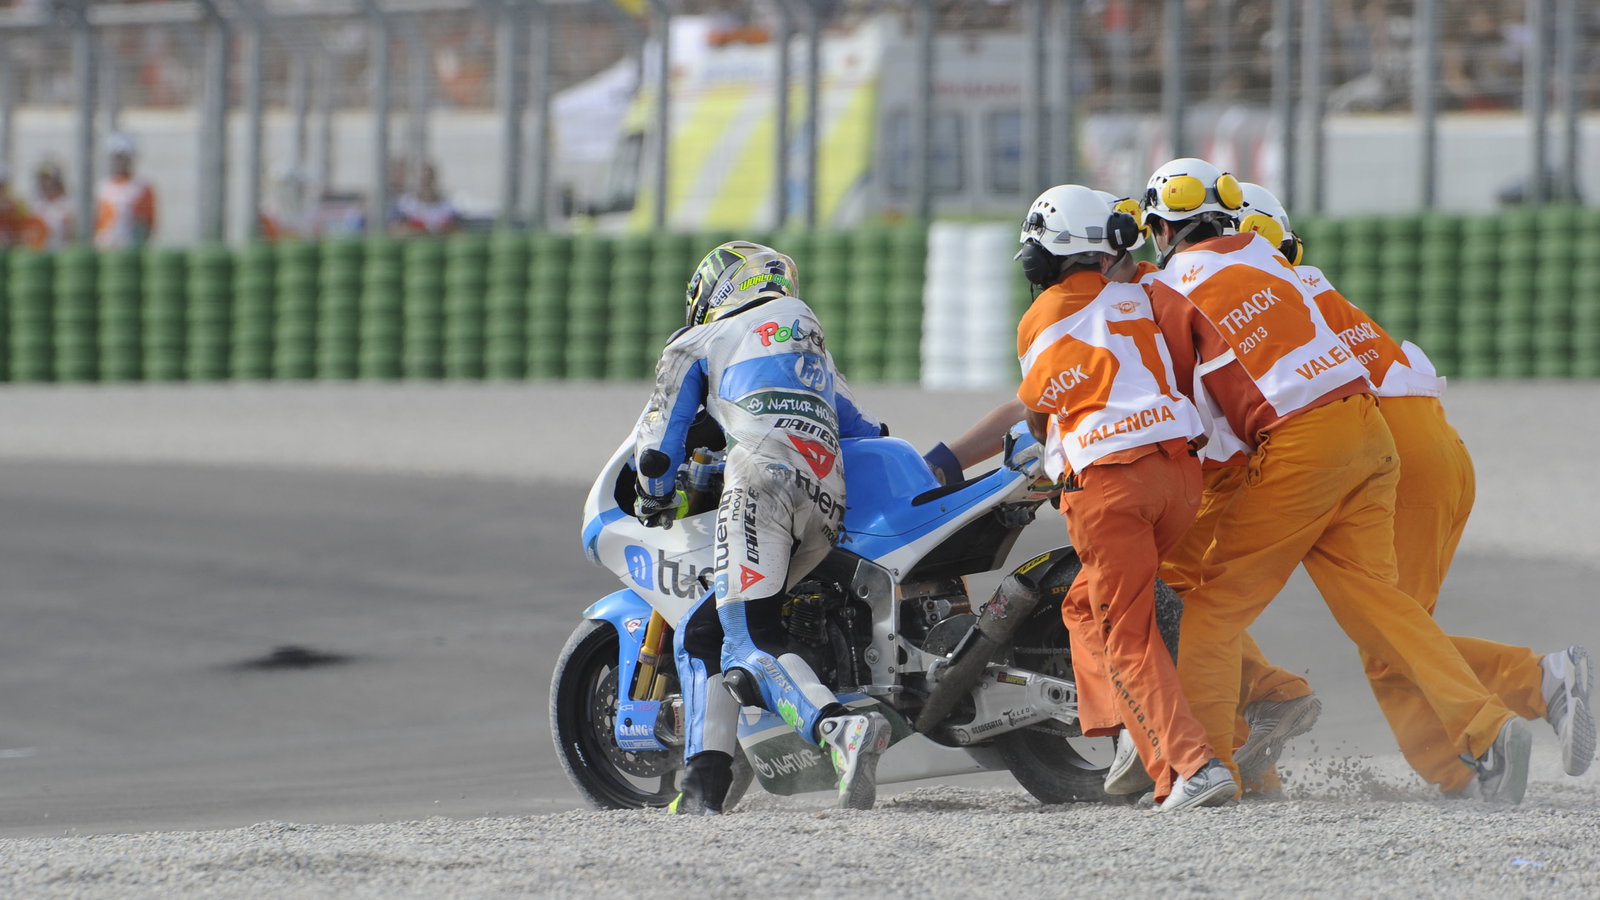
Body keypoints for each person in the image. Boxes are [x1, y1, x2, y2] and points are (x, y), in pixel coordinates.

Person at [1138, 156, 1534, 803]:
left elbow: (1187, 407)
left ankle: (1208, 771)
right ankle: (1487, 725)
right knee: (1381, 607)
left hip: (1302, 447)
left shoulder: (1169, 290)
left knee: (1212, 610)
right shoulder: (1270, 260)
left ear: (1161, 228)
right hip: (1369, 433)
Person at [1216, 182, 1593, 794]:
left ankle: (1534, 687)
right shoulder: (1304, 287)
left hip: (1385, 456)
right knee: (1398, 633)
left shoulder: (1242, 301)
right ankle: (1466, 772)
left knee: (1390, 638)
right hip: (1433, 445)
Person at [629, 240, 890, 813]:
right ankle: (703, 788)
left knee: (749, 641)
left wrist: (653, 495)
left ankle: (838, 728)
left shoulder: (698, 339)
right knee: (706, 634)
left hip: (759, 484)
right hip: (827, 498)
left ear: (713, 290)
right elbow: (867, 430)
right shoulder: (811, 340)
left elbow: (659, 444)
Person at [1011, 184, 1234, 810]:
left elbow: (1037, 413)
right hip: (1178, 476)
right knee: (1085, 607)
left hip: (1111, 485)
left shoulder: (1040, 316)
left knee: (1128, 636)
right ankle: (1140, 738)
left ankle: (1192, 765)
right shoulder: (1142, 291)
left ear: (1042, 257)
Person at [94, 133, 157, 250]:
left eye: (123, 157)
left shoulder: (142, 188)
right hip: (105, 247)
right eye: (116, 157)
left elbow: (149, 223)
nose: (119, 162)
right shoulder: (102, 187)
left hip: (131, 248)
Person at [25, 160, 73, 251]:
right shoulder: (36, 205)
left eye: (47, 178)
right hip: (40, 253)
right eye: (41, 179)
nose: (44, 183)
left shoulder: (67, 204)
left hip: (61, 253)